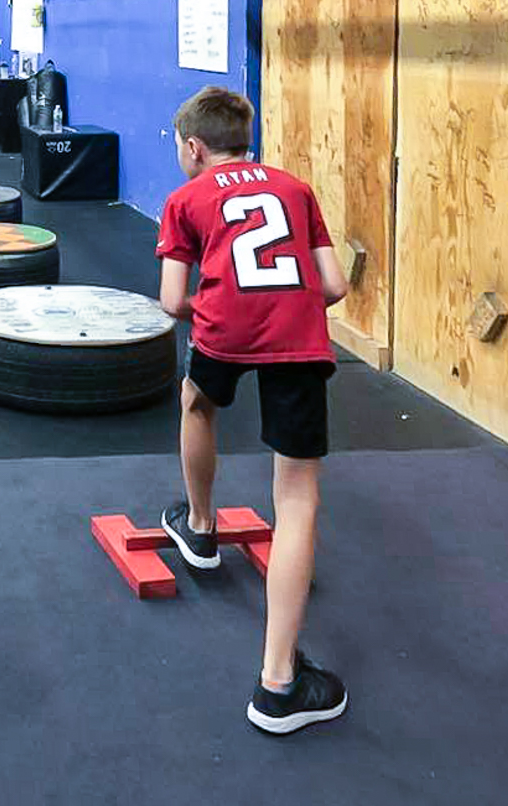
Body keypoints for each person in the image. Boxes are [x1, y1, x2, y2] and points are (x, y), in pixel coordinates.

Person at [155, 86, 350, 734]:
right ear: (246, 137)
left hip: (222, 330)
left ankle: (202, 527)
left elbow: (171, 300)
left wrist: (220, 316)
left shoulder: (185, 198)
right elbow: (334, 286)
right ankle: (279, 684)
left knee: (197, 400)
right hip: (297, 333)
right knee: (296, 497)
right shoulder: (294, 188)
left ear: (193, 146)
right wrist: (282, 313)